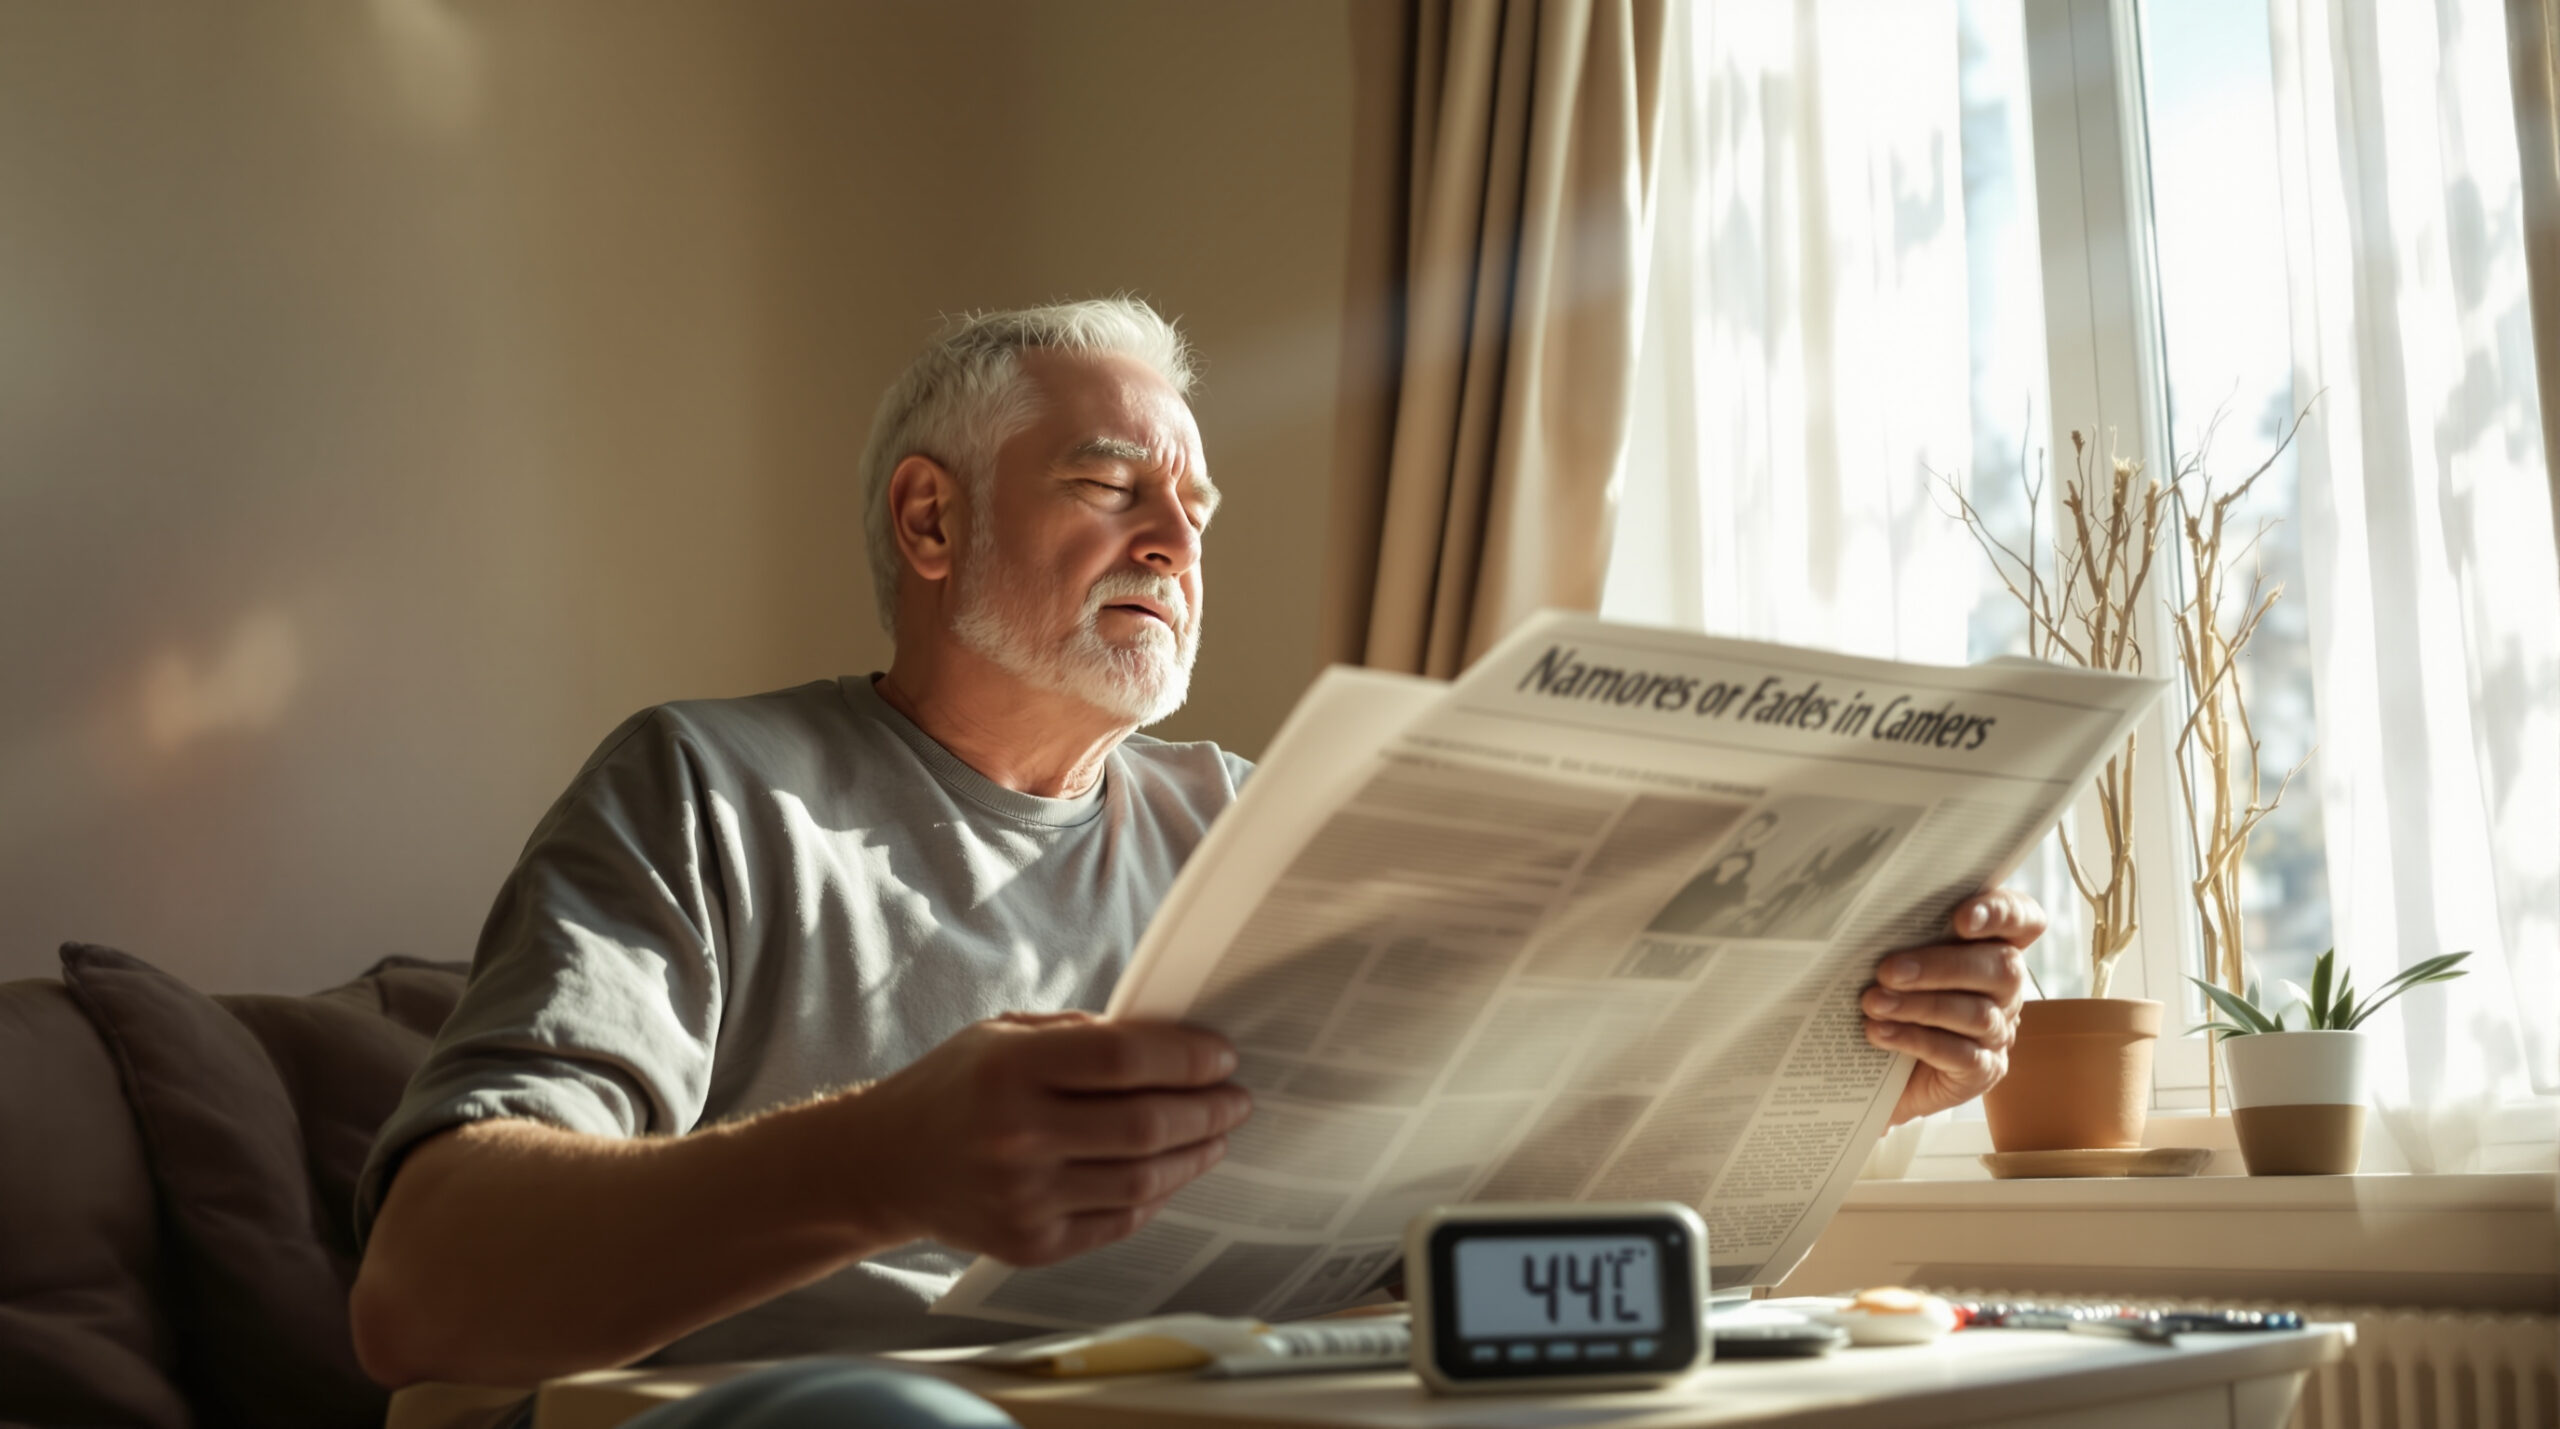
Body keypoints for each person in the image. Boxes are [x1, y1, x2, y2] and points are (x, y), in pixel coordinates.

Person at [348, 299, 2044, 1401]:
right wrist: (879, 1161)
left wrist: (1833, 1060)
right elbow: (422, 1291)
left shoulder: (1248, 816)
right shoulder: (712, 790)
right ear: (931, 520)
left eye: (1198, 511)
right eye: (1110, 485)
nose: (1176, 538)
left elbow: (1469, 1226)